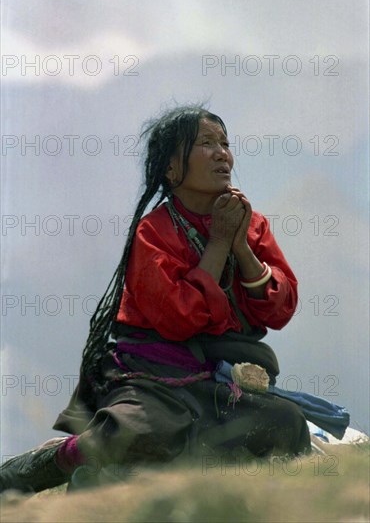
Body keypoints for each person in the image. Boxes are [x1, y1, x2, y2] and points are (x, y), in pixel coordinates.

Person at [0, 106, 311, 494]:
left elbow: (281, 309)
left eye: (225, 144)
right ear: (171, 169)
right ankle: (45, 465)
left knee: (286, 423)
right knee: (141, 431)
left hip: (223, 381)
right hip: (154, 378)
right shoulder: (154, 233)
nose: (222, 154)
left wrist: (240, 246)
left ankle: (133, 480)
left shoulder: (253, 225)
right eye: (206, 143)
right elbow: (181, 319)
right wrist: (217, 244)